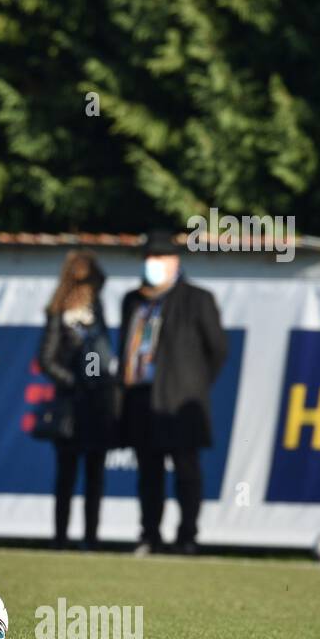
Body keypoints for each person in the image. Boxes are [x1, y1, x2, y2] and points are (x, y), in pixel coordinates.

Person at [119, 230, 227, 555]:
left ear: (174, 261)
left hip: (179, 398)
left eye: (159, 257)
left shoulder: (197, 299)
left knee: (186, 470)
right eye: (148, 257)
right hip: (141, 397)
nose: (152, 263)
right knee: (148, 472)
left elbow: (218, 349)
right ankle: (149, 534)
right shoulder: (133, 300)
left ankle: (187, 536)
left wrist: (193, 383)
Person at [37, 250, 118, 549]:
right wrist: (74, 382)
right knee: (66, 474)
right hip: (70, 406)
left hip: (98, 404)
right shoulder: (58, 312)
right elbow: (46, 359)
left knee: (95, 474)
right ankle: (60, 538)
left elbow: (103, 355)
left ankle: (91, 538)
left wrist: (101, 383)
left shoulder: (97, 311)